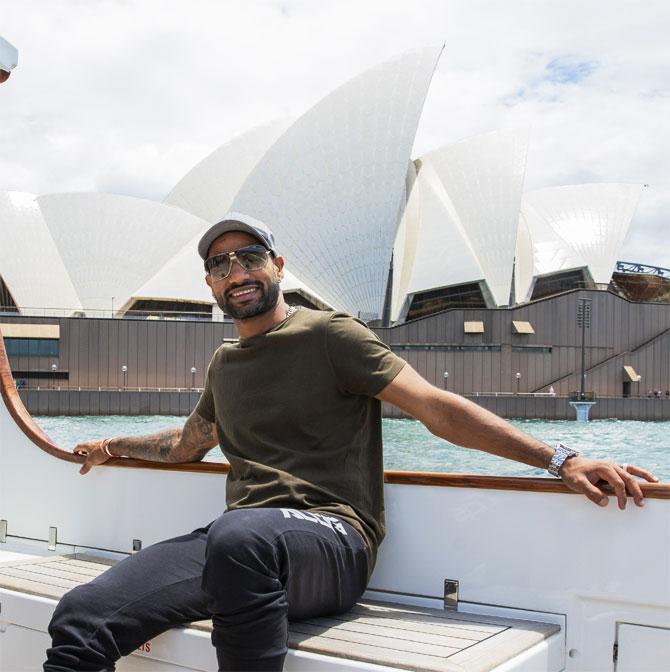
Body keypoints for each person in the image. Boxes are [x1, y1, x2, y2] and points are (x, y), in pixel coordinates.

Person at [45, 215, 658, 671]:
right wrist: (110, 446)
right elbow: (188, 443)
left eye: (248, 256)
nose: (236, 272)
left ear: (277, 266)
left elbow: (435, 409)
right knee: (81, 615)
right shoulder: (226, 362)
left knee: (240, 538)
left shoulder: (333, 334)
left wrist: (561, 458)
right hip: (247, 549)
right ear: (209, 283)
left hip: (333, 543)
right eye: (220, 265)